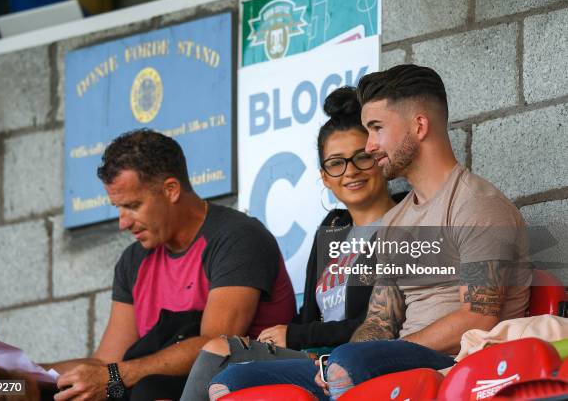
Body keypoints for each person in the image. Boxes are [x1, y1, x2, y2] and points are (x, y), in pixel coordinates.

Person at [208, 65, 531, 400]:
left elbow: (478, 316)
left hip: (456, 365)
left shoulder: (476, 205)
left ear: (419, 126)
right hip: (391, 362)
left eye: (376, 129)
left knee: (348, 361)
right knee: (234, 380)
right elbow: (379, 321)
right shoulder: (396, 221)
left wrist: (370, 357)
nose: (372, 145)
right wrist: (331, 363)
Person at [180, 86, 401, 401]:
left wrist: (296, 334)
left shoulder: (405, 223)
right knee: (220, 352)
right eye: (336, 163)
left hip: (358, 358)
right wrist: (283, 336)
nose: (350, 171)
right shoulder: (333, 227)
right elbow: (309, 314)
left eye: (361, 157)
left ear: (379, 159)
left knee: (222, 353)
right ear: (325, 176)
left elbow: (382, 319)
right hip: (314, 354)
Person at [45, 129, 296, 401]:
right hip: (152, 386)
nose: (123, 222)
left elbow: (214, 347)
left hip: (244, 384)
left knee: (148, 390)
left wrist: (115, 377)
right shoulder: (133, 260)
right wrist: (21, 377)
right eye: (118, 208)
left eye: (132, 205)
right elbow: (106, 363)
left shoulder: (237, 238)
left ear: (171, 190)